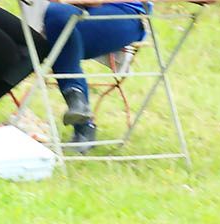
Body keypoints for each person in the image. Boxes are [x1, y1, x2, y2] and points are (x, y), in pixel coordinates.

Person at [38, 1, 149, 148]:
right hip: (67, 12)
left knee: (60, 31)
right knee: (56, 18)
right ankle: (79, 109)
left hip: (123, 13)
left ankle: (79, 107)